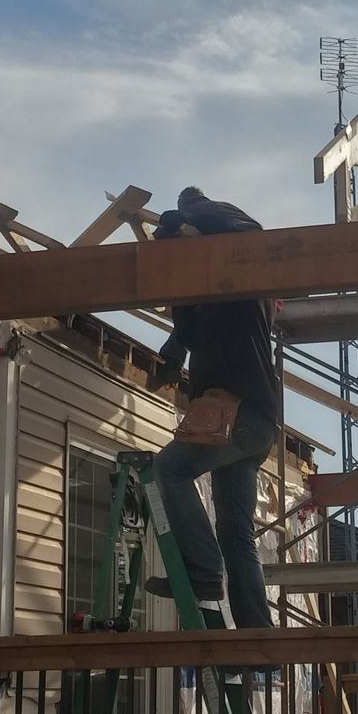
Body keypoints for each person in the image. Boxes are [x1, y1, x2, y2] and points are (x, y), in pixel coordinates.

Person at [143, 187, 279, 630]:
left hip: (237, 411)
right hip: (250, 424)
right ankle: (256, 634)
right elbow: (188, 331)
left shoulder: (238, 272)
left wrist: (180, 218)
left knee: (170, 470)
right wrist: (170, 357)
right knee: (236, 534)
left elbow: (246, 227)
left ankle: (202, 573)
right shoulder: (217, 300)